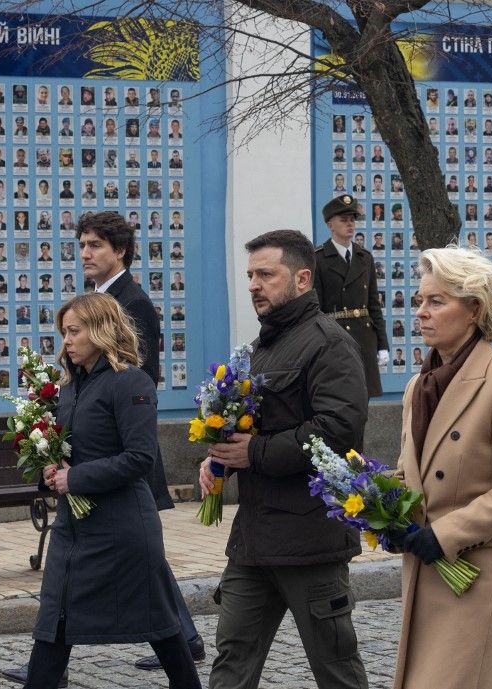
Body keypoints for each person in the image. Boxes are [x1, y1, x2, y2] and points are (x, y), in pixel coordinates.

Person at [2, 213, 203, 686]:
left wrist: (77, 478)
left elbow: (140, 456)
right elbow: (68, 439)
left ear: (102, 330)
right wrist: (50, 464)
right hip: (75, 526)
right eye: (64, 332)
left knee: (164, 629)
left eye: (73, 332)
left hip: (120, 526)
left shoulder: (128, 380)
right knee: (52, 625)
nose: (66, 341)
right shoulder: (70, 386)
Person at [200, 229, 368, 689]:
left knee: (335, 667)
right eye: (250, 274)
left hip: (309, 541)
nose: (253, 284)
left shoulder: (329, 343)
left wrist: (253, 452)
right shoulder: (258, 349)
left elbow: (338, 430)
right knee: (231, 659)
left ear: (301, 279)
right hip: (253, 543)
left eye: (265, 274)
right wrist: (221, 459)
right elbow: (255, 426)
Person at [389, 247, 492, 688]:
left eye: (436, 301)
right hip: (424, 573)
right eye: (419, 301)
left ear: (474, 309)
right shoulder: (418, 385)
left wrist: (445, 534)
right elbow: (409, 472)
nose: (421, 313)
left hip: (476, 579)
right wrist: (376, 500)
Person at [312, 195, 389, 397]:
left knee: (363, 401)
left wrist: (382, 345)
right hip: (335, 339)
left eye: (352, 220)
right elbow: (315, 309)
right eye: (343, 220)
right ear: (330, 224)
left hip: (364, 338)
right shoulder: (318, 258)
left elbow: (373, 304)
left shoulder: (364, 257)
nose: (350, 224)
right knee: (339, 398)